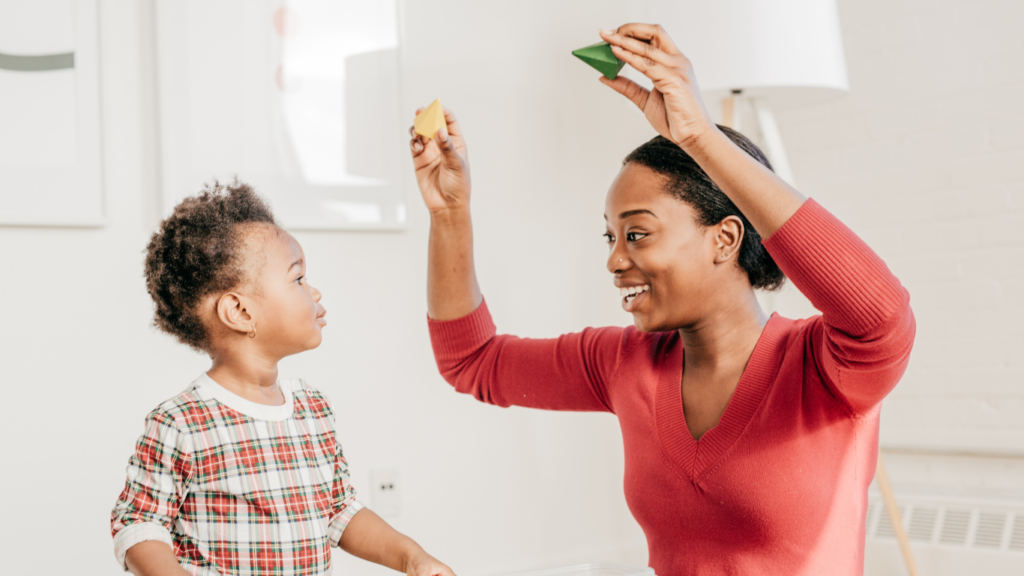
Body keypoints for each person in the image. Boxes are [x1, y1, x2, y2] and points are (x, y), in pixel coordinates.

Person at [409, 24, 915, 576]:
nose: (615, 260)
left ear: (724, 238)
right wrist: (449, 215)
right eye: (611, 237)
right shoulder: (623, 364)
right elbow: (471, 361)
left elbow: (878, 312)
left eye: (638, 234)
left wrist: (700, 137)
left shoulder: (825, 367)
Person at [110, 182, 455, 576]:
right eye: (298, 279)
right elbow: (138, 524)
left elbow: (339, 510)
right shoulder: (180, 423)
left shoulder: (312, 409)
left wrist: (412, 557)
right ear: (239, 312)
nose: (314, 290)